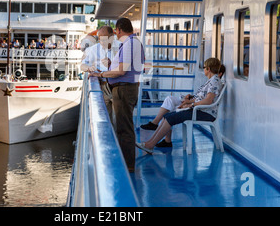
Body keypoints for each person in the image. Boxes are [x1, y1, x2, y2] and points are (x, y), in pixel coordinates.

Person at [136, 58, 223, 154]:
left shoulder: (214, 81)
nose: (203, 69)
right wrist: (188, 102)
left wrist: (191, 105)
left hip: (204, 113)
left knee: (170, 118)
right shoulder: (212, 80)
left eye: (204, 67)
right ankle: (149, 143)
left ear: (209, 69)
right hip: (199, 110)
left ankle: (150, 145)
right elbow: (202, 98)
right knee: (167, 116)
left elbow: (208, 100)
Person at [90, 18, 145, 172]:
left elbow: (122, 71)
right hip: (124, 88)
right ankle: (126, 163)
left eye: (116, 31)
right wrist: (110, 66)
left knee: (124, 128)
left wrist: (101, 74)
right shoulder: (131, 43)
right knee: (122, 126)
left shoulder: (130, 43)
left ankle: (127, 166)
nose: (116, 33)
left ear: (119, 30)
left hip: (124, 90)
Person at [83, 26, 120, 122]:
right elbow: (82, 65)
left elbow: (124, 69)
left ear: (112, 36)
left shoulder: (121, 47)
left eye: (104, 38)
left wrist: (111, 64)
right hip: (103, 87)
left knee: (119, 120)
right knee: (105, 119)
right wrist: (89, 68)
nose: (102, 41)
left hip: (118, 88)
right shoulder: (94, 49)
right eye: (100, 39)